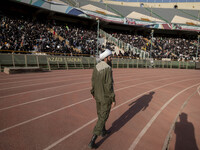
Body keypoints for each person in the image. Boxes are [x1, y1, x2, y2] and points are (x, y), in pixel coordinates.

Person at [88, 49, 116, 149]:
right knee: (103, 117)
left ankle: (103, 131)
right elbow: (109, 85)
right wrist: (113, 98)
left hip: (98, 96)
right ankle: (92, 141)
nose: (111, 58)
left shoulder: (96, 66)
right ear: (105, 58)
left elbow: (93, 80)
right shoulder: (108, 68)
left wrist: (93, 92)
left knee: (100, 114)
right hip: (105, 97)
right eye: (110, 57)